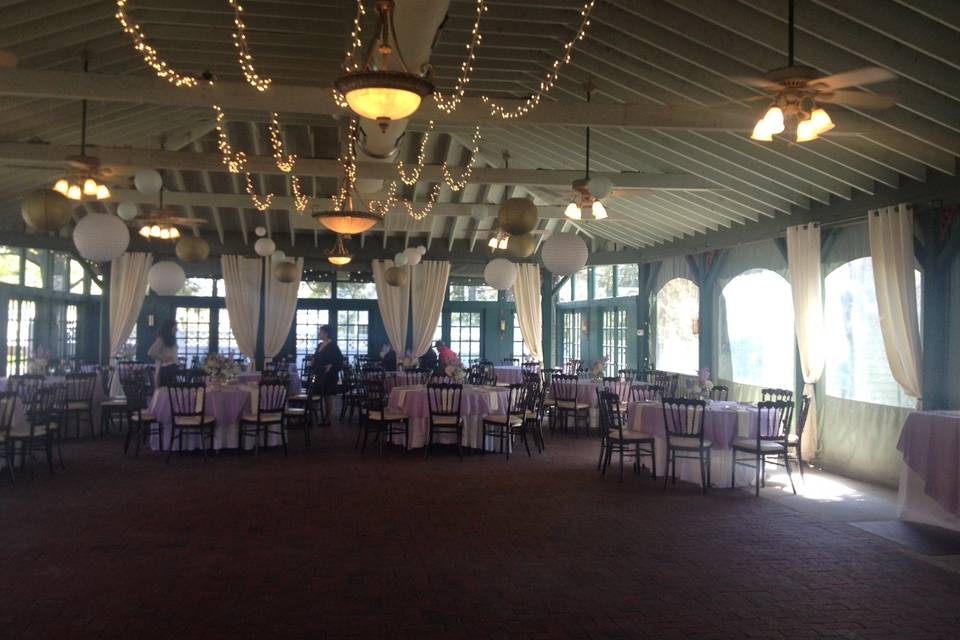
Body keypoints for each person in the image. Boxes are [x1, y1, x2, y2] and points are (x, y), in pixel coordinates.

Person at [310, 325, 343, 426]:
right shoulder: (320, 345)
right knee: (315, 393)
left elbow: (340, 359)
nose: (319, 333)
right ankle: (311, 417)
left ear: (326, 333)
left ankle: (327, 420)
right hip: (318, 373)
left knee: (327, 397)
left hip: (329, 375)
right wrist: (313, 361)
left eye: (321, 332)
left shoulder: (333, 345)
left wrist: (331, 365)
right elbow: (316, 357)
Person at [148, 319, 178, 386]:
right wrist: (162, 358)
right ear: (169, 328)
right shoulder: (161, 339)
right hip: (166, 369)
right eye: (175, 328)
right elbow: (150, 352)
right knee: (167, 392)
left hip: (173, 368)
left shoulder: (172, 339)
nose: (176, 329)